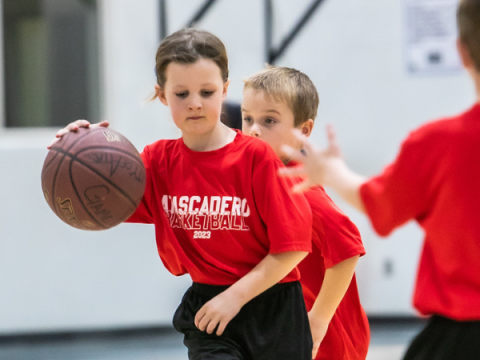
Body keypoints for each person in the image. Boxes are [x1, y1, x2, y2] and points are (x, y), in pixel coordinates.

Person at [49, 29, 314, 360]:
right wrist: (77, 150)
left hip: (273, 306)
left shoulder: (257, 158)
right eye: (181, 93)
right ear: (162, 95)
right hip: (207, 309)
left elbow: (293, 249)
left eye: (207, 91)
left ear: (225, 90)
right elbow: (100, 202)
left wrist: (234, 298)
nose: (195, 104)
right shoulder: (157, 162)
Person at [280, 0, 480, 359]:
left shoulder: (438, 144)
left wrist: (332, 173)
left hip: (462, 337)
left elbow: (379, 204)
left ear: (461, 53)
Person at [241, 66, 369, 360]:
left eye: (269, 120)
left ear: (304, 131)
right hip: (284, 329)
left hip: (326, 339)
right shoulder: (257, 176)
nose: (253, 129)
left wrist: (319, 320)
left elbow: (348, 249)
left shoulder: (298, 188)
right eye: (247, 118)